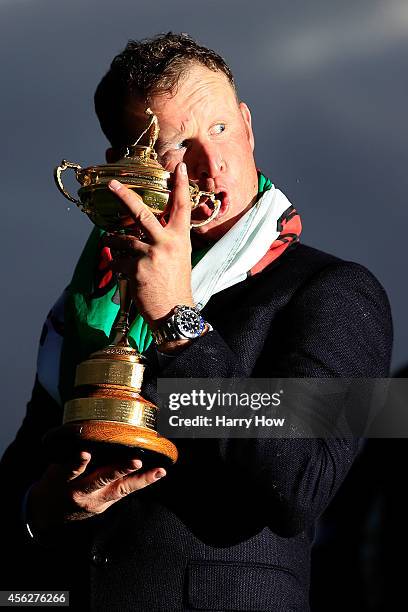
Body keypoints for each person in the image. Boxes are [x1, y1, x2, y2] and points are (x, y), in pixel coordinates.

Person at [0, 33, 393, 611]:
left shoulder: (335, 291)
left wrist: (177, 320)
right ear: (126, 168)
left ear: (248, 124)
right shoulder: (84, 307)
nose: (214, 164)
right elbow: (20, 483)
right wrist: (41, 507)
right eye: (179, 145)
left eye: (220, 129)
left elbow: (300, 482)